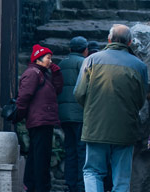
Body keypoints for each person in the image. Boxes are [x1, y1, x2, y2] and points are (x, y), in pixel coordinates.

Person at [75, 24, 148, 192]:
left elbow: (79, 93)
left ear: (109, 39)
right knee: (121, 178)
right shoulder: (139, 66)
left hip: (95, 127)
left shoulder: (91, 60)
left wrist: (92, 109)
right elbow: (140, 100)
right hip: (125, 128)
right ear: (129, 42)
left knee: (93, 171)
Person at [17, 44, 64, 192]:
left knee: (37, 155)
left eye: (51, 58)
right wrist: (19, 114)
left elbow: (57, 90)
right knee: (40, 157)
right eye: (48, 58)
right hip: (40, 121)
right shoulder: (33, 73)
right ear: (38, 59)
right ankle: (39, 187)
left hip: (44, 120)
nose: (51, 61)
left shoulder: (43, 73)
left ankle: (33, 186)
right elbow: (24, 96)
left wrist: (56, 74)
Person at [58, 36, 89, 192]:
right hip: (79, 114)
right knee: (81, 150)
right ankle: (80, 184)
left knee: (69, 150)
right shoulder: (83, 63)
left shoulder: (62, 64)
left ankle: (70, 183)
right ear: (85, 50)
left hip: (64, 115)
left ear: (70, 49)